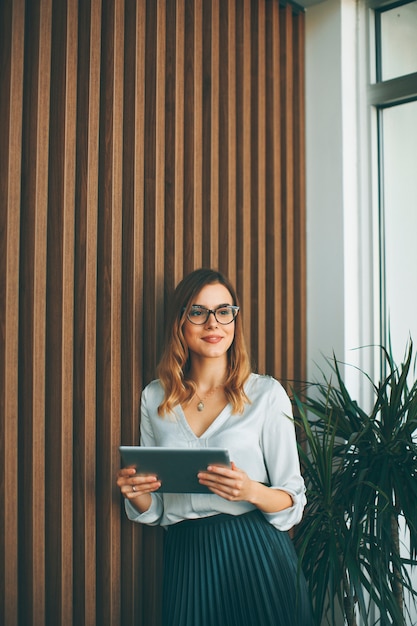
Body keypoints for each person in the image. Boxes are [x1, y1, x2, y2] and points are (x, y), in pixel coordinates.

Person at [116, 268, 312, 626]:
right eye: (198, 312)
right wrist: (136, 493)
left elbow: (292, 498)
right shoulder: (155, 397)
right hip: (187, 558)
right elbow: (158, 510)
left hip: (256, 552)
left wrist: (250, 490)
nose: (213, 323)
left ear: (235, 321)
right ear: (180, 322)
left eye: (224, 311)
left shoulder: (265, 395)